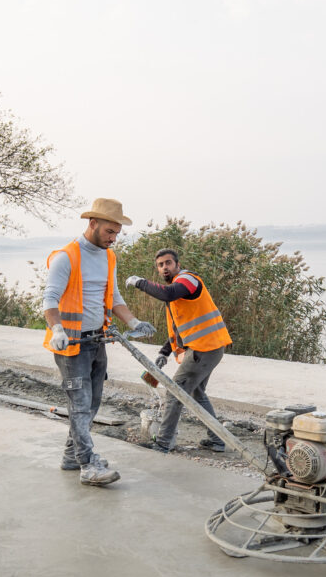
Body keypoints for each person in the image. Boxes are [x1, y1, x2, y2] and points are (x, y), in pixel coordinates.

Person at [43, 198, 156, 487]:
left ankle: (72, 456)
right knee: (80, 406)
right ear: (92, 224)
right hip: (71, 345)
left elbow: (114, 297)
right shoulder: (66, 257)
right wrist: (57, 329)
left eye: (117, 233)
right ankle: (88, 465)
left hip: (97, 341)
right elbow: (49, 301)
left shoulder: (109, 257)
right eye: (109, 231)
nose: (113, 238)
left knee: (92, 406)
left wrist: (133, 323)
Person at [125, 248, 232, 453]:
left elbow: (168, 293)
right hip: (207, 348)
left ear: (177, 265)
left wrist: (140, 282)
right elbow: (179, 328)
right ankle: (217, 440)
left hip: (205, 348)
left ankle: (163, 443)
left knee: (174, 393)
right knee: (196, 393)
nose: (164, 267)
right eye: (160, 265)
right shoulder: (177, 291)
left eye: (168, 263)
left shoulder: (189, 280)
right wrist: (164, 353)